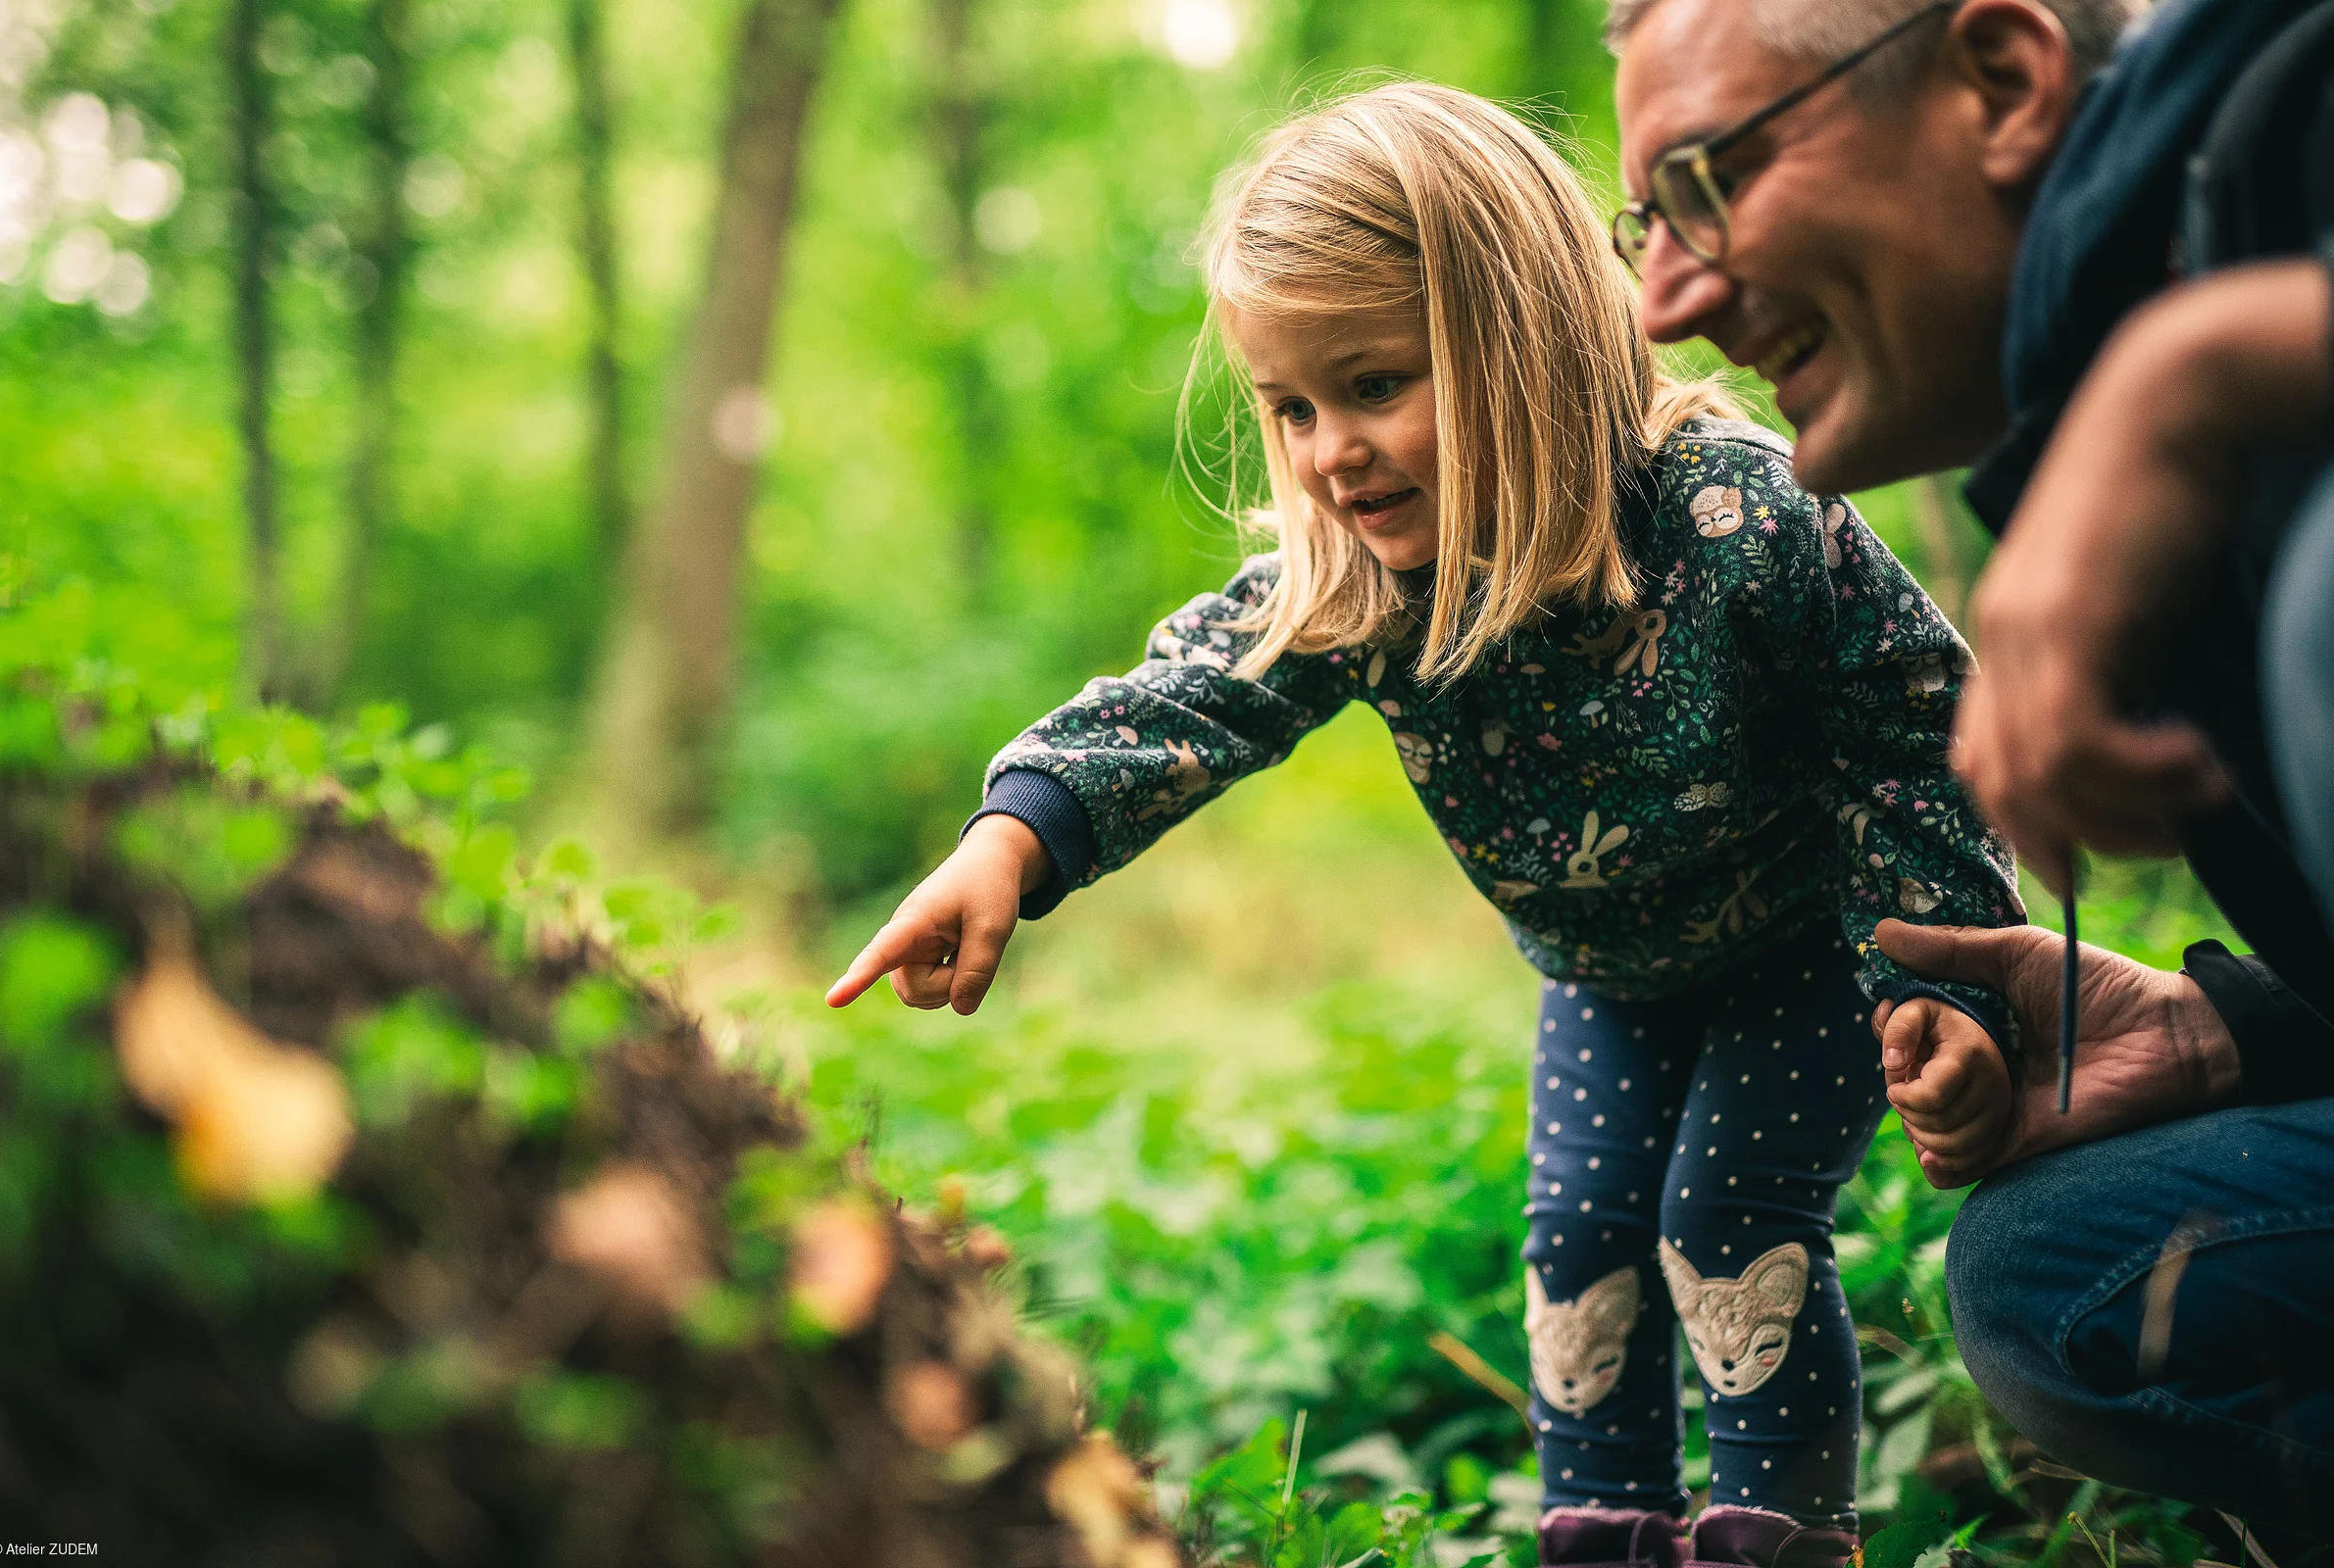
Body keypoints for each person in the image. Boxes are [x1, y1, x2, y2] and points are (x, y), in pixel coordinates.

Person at [826, 82, 2023, 1568]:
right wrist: (1014, 837)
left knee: (1725, 1218)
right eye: (1293, 407)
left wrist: (1946, 976)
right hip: (1607, 972)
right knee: (1581, 1249)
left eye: (1376, 384)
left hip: (1808, 950)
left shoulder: (1742, 521)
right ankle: (1605, 1539)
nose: (1332, 451)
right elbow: (1198, 690)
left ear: (1525, 340)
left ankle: (1784, 1539)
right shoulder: (1368, 578)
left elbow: (1922, 724)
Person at [1609, 0, 2334, 1537]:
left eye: (1705, 183)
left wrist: (2188, 384)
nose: (1666, 296)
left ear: (2002, 81)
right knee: (2051, 1265)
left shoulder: (2287, 120)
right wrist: (2235, 1032)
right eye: (1647, 217)